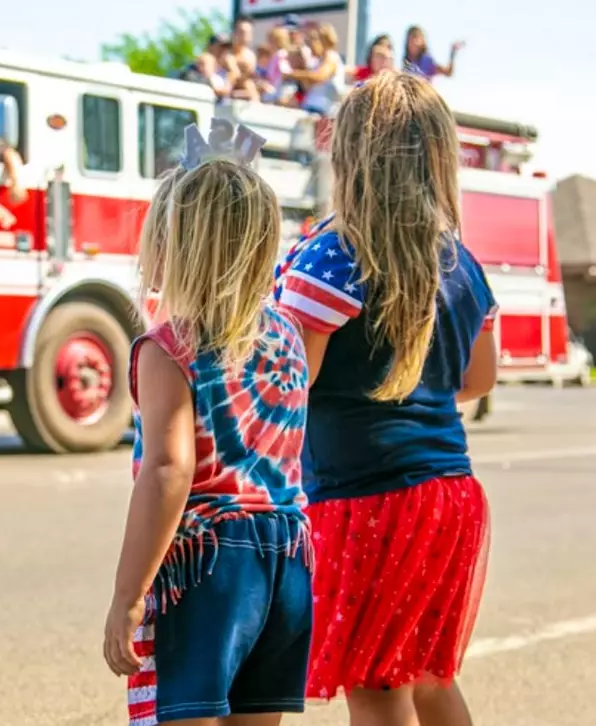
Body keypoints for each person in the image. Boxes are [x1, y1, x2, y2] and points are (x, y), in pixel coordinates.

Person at [274, 72, 496, 726]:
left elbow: (293, 381)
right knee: (429, 675)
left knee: (375, 682)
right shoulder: (461, 261)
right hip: (449, 495)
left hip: (365, 498)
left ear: (347, 154)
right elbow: (477, 381)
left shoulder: (330, 258)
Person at [103, 120, 313, 725]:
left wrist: (128, 594)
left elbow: (169, 470)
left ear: (174, 247)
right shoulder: (287, 337)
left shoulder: (168, 347)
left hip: (211, 563)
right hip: (289, 555)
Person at [284, 23, 345, 115]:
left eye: (314, 40)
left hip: (323, 109)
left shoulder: (331, 56)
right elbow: (307, 86)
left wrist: (294, 74)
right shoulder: (319, 60)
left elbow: (320, 76)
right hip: (312, 107)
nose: (311, 44)